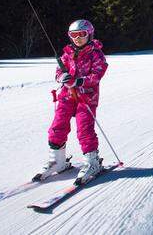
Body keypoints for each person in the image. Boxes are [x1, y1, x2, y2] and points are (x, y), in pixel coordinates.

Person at [36, 19, 108, 184]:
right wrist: (62, 76)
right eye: (73, 35)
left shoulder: (96, 54)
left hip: (86, 98)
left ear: (89, 34)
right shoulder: (67, 53)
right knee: (57, 126)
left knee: (84, 129)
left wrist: (79, 81)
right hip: (67, 96)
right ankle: (58, 161)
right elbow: (58, 71)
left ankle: (92, 161)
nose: (77, 38)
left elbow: (96, 75)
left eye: (81, 34)